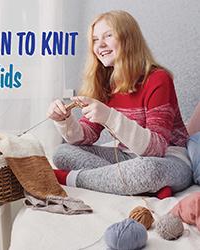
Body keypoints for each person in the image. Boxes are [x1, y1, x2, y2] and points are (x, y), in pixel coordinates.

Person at [47, 10, 192, 199]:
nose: (100, 45)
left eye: (108, 35)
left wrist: (109, 116)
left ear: (128, 39)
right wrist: (65, 121)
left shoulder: (158, 79)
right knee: (62, 152)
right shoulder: (106, 83)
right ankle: (142, 187)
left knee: (148, 170)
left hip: (169, 159)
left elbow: (157, 149)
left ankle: (72, 179)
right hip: (126, 158)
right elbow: (87, 135)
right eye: (95, 39)